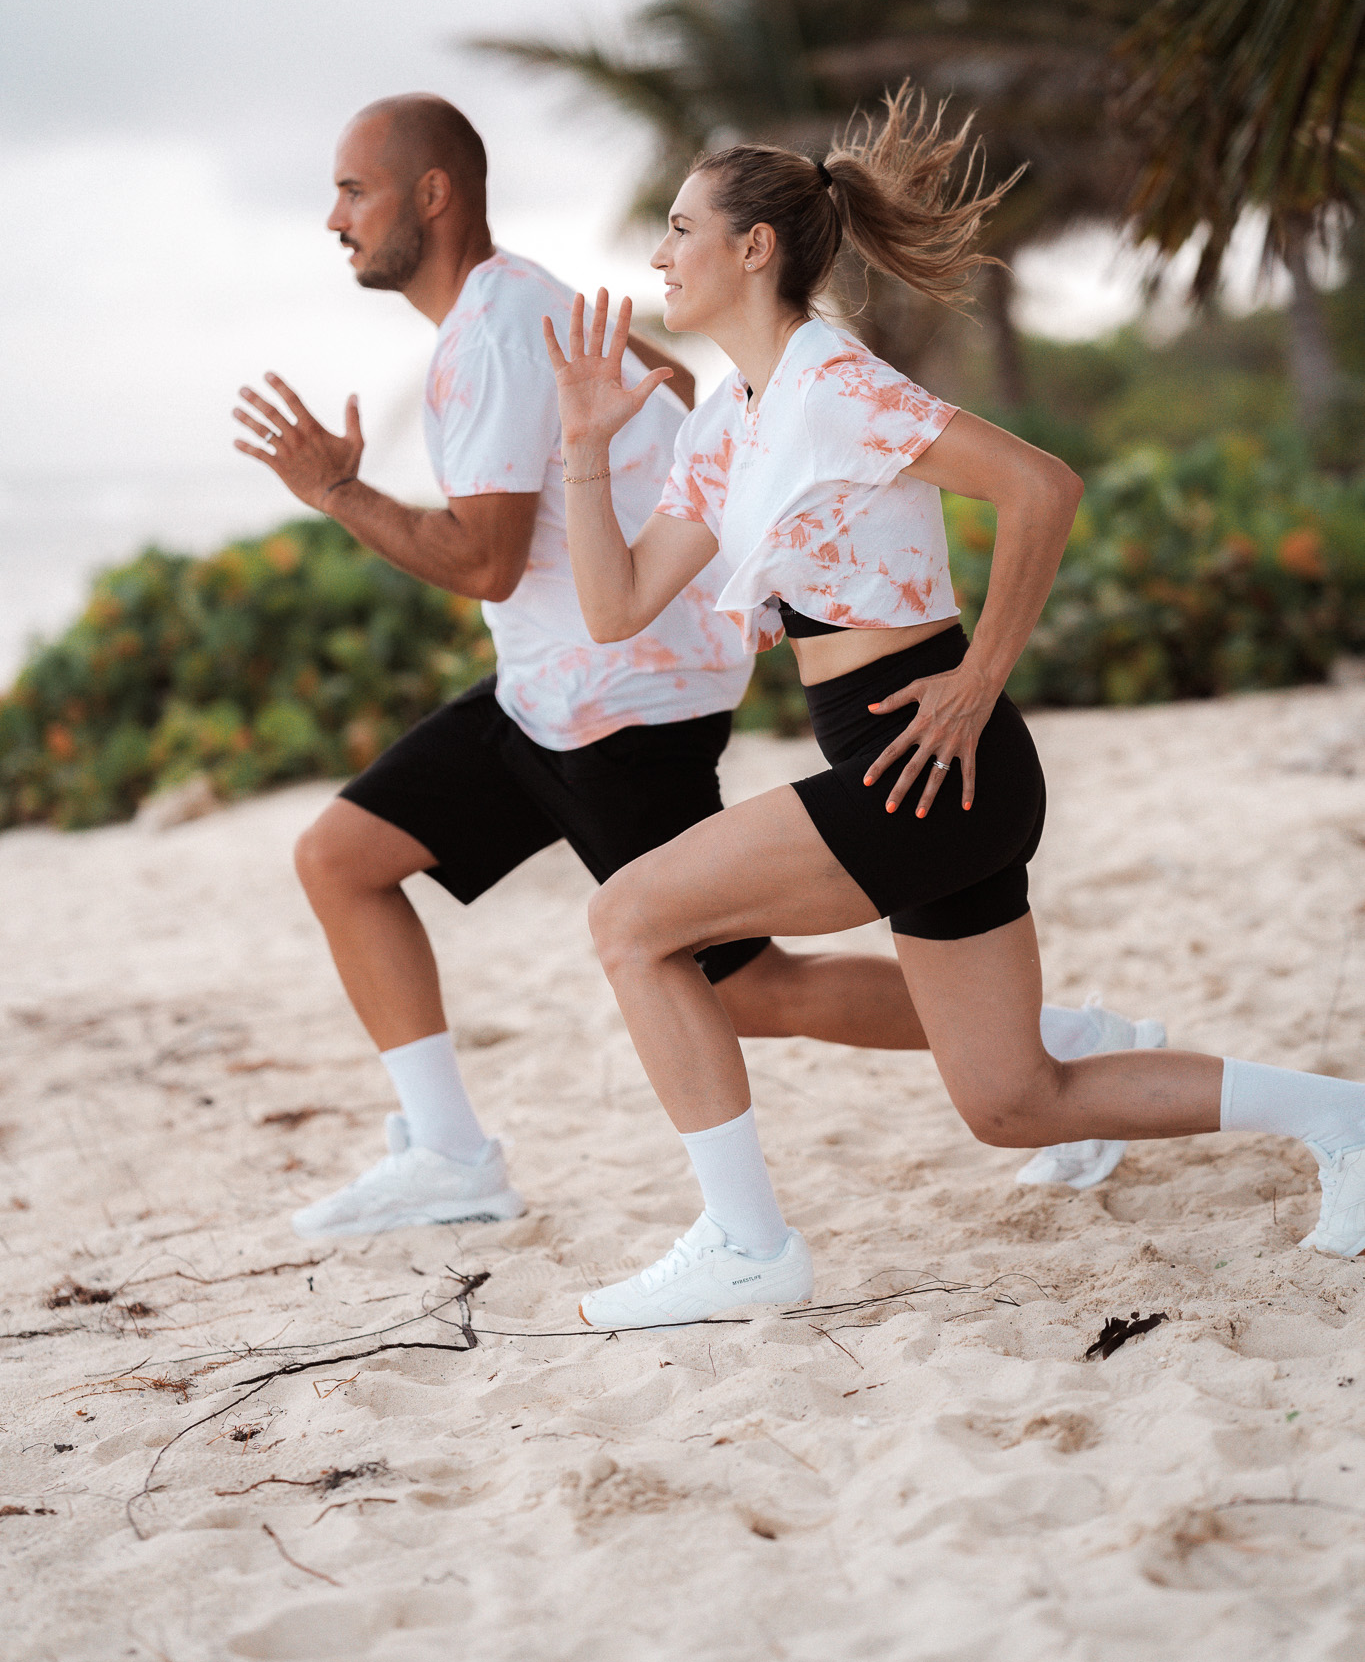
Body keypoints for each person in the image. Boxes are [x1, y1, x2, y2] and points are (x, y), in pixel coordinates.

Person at [231, 91, 1156, 1241]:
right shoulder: (535, 316)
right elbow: (679, 409)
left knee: (746, 985)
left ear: (434, 193)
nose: (334, 217)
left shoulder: (509, 331)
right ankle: (453, 1153)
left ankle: (1050, 1053)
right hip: (550, 690)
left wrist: (335, 491)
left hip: (623, 705)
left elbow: (483, 556)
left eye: (352, 190)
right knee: (344, 855)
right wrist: (645, 438)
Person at [546, 86, 1365, 1329]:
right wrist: (589, 447)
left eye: (677, 227)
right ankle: (1343, 1118)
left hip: (924, 748)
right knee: (1014, 1100)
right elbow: (616, 608)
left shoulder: (835, 387)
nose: (657, 254)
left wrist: (982, 674)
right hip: (923, 768)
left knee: (630, 919)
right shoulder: (733, 419)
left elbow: (1041, 486)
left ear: (752, 247)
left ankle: (746, 1243)